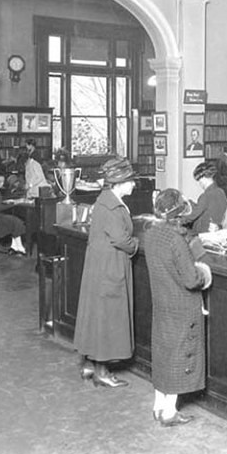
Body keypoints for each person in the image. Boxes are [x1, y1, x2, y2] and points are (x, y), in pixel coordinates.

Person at [144, 188, 213, 427]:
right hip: (183, 306)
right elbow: (191, 279)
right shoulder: (176, 240)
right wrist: (204, 273)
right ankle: (170, 412)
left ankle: (158, 406)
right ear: (179, 213)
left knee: (163, 353)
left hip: (162, 303)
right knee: (179, 356)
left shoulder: (151, 234)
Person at [74, 157, 139, 388]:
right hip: (110, 266)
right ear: (120, 183)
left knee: (96, 315)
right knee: (108, 317)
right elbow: (121, 239)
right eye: (131, 181)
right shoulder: (113, 206)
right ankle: (103, 372)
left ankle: (89, 364)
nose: (133, 185)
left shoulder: (104, 200)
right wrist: (136, 245)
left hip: (98, 266)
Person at [183, 161, 227, 235]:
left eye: (199, 180)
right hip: (218, 231)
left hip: (204, 233)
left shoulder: (206, 196)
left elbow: (192, 215)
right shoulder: (221, 191)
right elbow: (206, 208)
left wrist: (185, 204)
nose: (200, 184)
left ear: (204, 178)